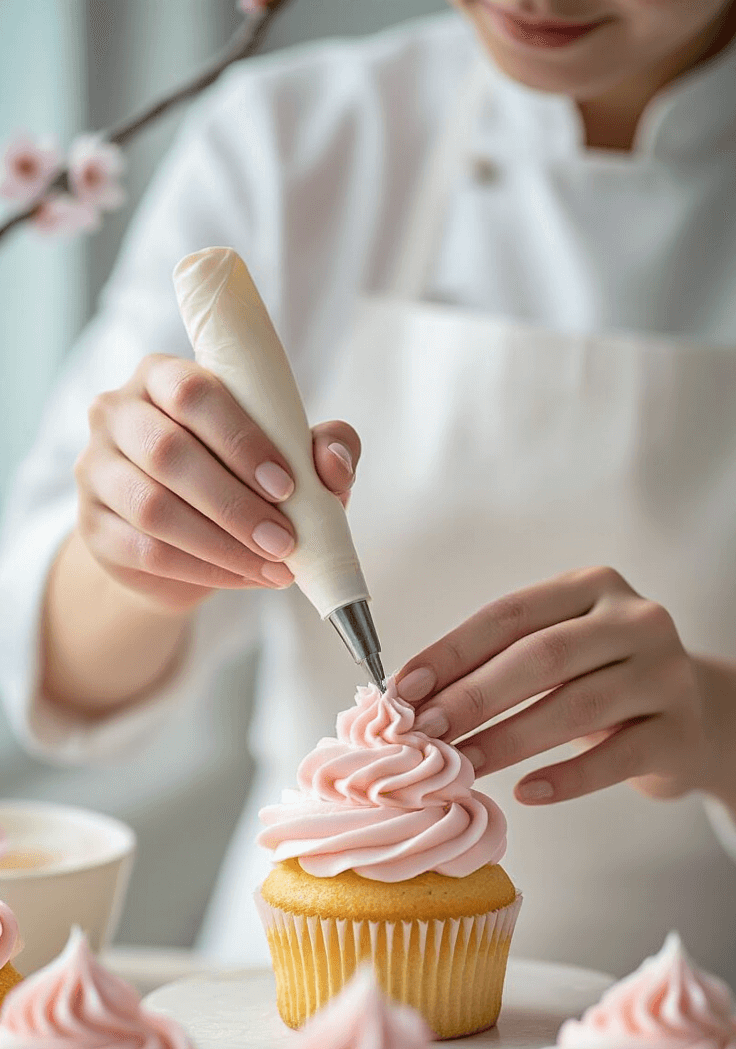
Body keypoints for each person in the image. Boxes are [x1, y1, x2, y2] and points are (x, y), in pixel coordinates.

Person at [1, 0, 736, 981]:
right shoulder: (299, 138)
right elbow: (53, 665)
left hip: (699, 1028)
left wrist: (714, 718)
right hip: (289, 1017)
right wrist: (134, 549)